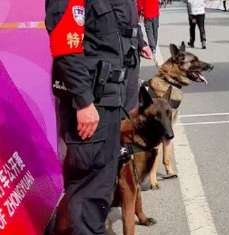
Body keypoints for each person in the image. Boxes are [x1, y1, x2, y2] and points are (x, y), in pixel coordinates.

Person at [44, 0, 152, 234]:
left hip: (110, 100)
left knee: (101, 185)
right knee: (88, 188)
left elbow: (115, 36)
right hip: (91, 104)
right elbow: (66, 44)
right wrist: (84, 101)